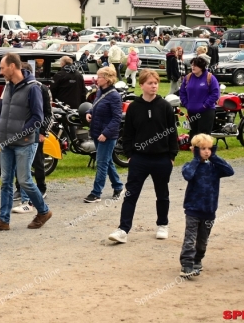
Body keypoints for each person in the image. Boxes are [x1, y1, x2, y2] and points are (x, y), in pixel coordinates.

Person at [0, 53, 51, 231]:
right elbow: (5, 110)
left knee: (25, 180)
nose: (0, 71)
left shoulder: (33, 88)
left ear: (13, 66)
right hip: (6, 142)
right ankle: (3, 220)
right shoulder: (8, 86)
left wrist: (20, 132)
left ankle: (43, 211)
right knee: (6, 181)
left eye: (2, 68)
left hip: (25, 143)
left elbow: (38, 117)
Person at [109, 70, 177, 244]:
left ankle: (163, 224)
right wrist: (130, 154)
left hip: (162, 158)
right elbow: (128, 133)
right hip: (139, 159)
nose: (154, 86)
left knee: (162, 194)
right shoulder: (134, 107)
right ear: (142, 85)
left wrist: (171, 155)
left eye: (156, 83)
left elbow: (172, 132)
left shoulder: (165, 106)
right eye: (150, 83)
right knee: (130, 194)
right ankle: (123, 229)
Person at [179, 133, 234, 277]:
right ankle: (186, 263)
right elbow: (188, 175)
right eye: (203, 149)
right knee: (190, 237)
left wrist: (214, 157)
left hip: (209, 210)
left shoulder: (214, 167)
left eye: (209, 148)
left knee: (203, 239)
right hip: (193, 209)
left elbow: (230, 171)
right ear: (195, 150)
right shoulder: (190, 166)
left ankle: (198, 259)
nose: (207, 151)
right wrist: (196, 159)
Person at [12, 62, 51, 213]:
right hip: (18, 132)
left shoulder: (42, 88)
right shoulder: (15, 87)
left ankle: (41, 188)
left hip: (35, 132)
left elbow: (48, 113)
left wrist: (43, 132)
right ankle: (19, 188)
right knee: (18, 162)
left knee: (37, 161)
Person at [83, 66, 123, 203]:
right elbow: (96, 106)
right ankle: (118, 186)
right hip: (96, 132)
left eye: (99, 77)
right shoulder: (100, 92)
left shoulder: (114, 96)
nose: (96, 79)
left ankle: (96, 193)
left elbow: (117, 118)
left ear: (107, 79)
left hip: (106, 135)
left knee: (101, 163)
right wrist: (89, 112)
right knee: (107, 161)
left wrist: (106, 133)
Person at [179, 57, 220, 140]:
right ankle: (195, 151)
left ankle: (204, 152)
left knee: (204, 136)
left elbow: (215, 93)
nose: (193, 67)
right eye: (192, 65)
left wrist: (205, 105)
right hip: (192, 111)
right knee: (194, 134)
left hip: (206, 111)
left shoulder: (210, 77)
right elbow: (182, 92)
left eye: (195, 65)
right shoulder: (188, 77)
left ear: (201, 67)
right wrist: (186, 104)